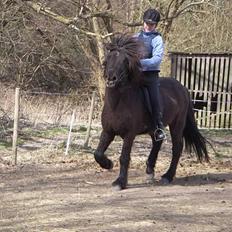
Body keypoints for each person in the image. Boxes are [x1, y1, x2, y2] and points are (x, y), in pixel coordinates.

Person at [136, 8, 166, 141]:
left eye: (152, 24)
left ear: (156, 25)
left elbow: (157, 59)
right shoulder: (135, 37)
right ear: (143, 22)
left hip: (150, 76)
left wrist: (140, 63)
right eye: (147, 23)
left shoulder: (157, 39)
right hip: (135, 75)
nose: (148, 26)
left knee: (154, 100)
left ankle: (158, 127)